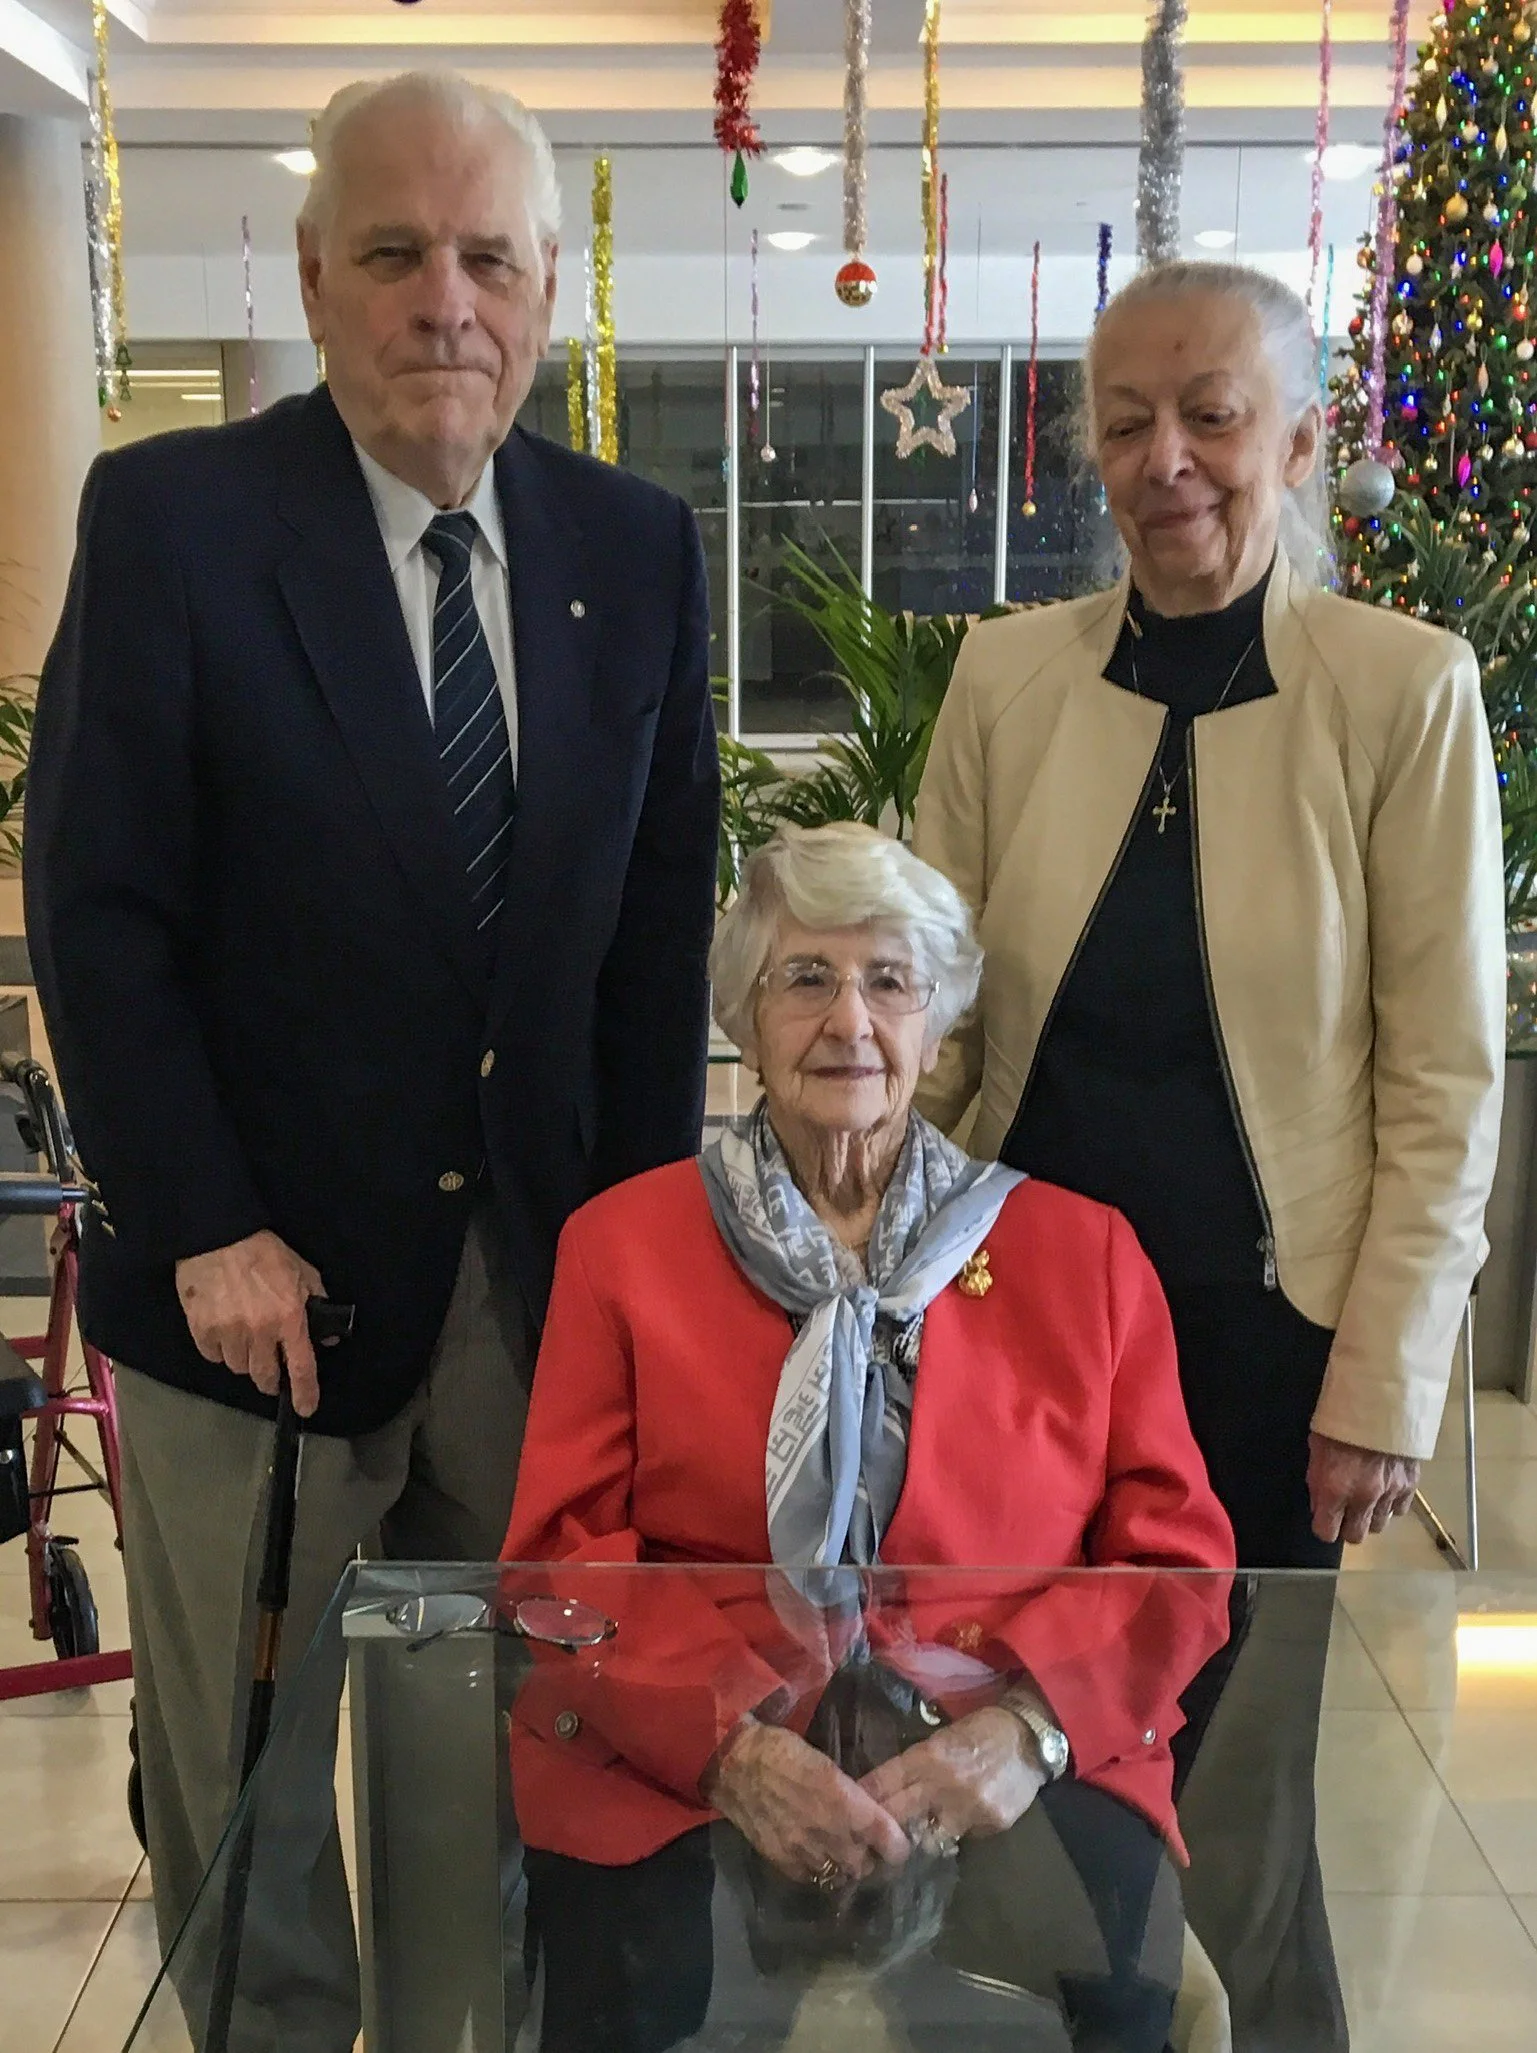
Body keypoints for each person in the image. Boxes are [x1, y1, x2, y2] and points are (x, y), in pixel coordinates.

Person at [24, 69, 718, 2044]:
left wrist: (640, 1270)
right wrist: (203, 1224)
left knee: (507, 1740)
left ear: (548, 286)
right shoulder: (176, 521)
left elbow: (651, 952)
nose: (446, 303)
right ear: (317, 277)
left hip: (530, 1291)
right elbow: (101, 911)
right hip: (255, 1303)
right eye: (397, 254)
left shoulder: (635, 548)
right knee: (244, 1770)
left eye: (488, 257)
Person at [913, 260, 1506, 2047]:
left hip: (1263, 1345)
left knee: (1232, 1798)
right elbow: (932, 1012)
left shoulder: (1401, 690)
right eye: (1124, 422)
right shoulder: (1007, 677)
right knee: (1028, 1747)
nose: (1163, 458)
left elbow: (1443, 1075)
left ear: (1299, 441)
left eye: (1211, 415)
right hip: (1017, 1338)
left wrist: (1386, 1374)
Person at [503, 823, 1235, 2053]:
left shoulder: (1083, 1252)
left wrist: (1027, 1732)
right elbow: (559, 1558)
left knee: (1109, 2004)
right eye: (806, 978)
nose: (850, 1020)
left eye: (889, 981)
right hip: (686, 1748)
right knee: (630, 2001)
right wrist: (729, 1747)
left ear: (936, 1024)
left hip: (1007, 1740)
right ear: (743, 1015)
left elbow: (1178, 1561)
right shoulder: (620, 1246)